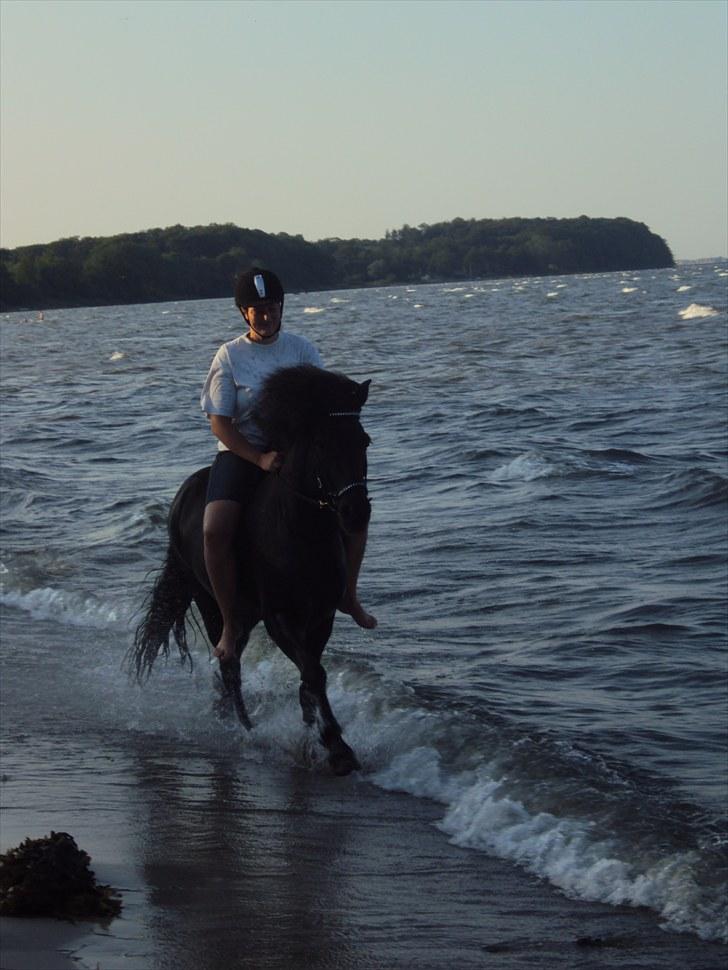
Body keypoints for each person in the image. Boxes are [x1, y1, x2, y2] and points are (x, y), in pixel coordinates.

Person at [200, 266, 377, 663]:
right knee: (214, 529)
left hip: (296, 453)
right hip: (242, 452)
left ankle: (349, 596)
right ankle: (230, 623)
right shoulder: (230, 355)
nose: (266, 316)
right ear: (244, 313)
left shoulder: (302, 350)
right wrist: (258, 457)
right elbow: (220, 423)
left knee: (355, 508)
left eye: (272, 308)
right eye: (257, 310)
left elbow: (323, 409)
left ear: (281, 308)